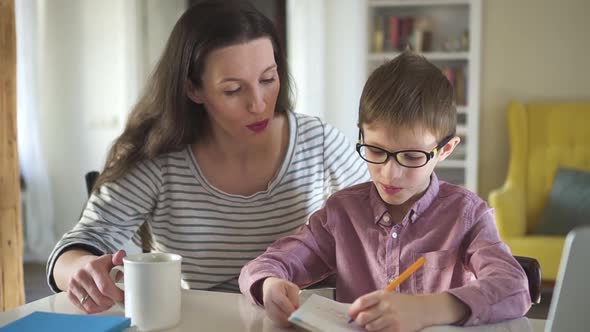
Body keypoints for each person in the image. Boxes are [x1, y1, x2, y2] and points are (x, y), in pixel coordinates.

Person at [47, 0, 369, 314]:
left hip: (296, 320)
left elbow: (389, 216)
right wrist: (82, 268)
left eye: (268, 79)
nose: (258, 104)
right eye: (233, 90)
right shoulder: (157, 157)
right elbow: (82, 242)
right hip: (197, 320)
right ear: (193, 89)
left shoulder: (318, 143)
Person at [239, 52, 531, 331]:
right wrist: (269, 285)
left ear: (445, 150)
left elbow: (514, 287)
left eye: (413, 157)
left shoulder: (466, 214)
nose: (390, 173)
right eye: (376, 151)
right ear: (361, 134)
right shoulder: (342, 213)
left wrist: (425, 310)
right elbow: (265, 265)